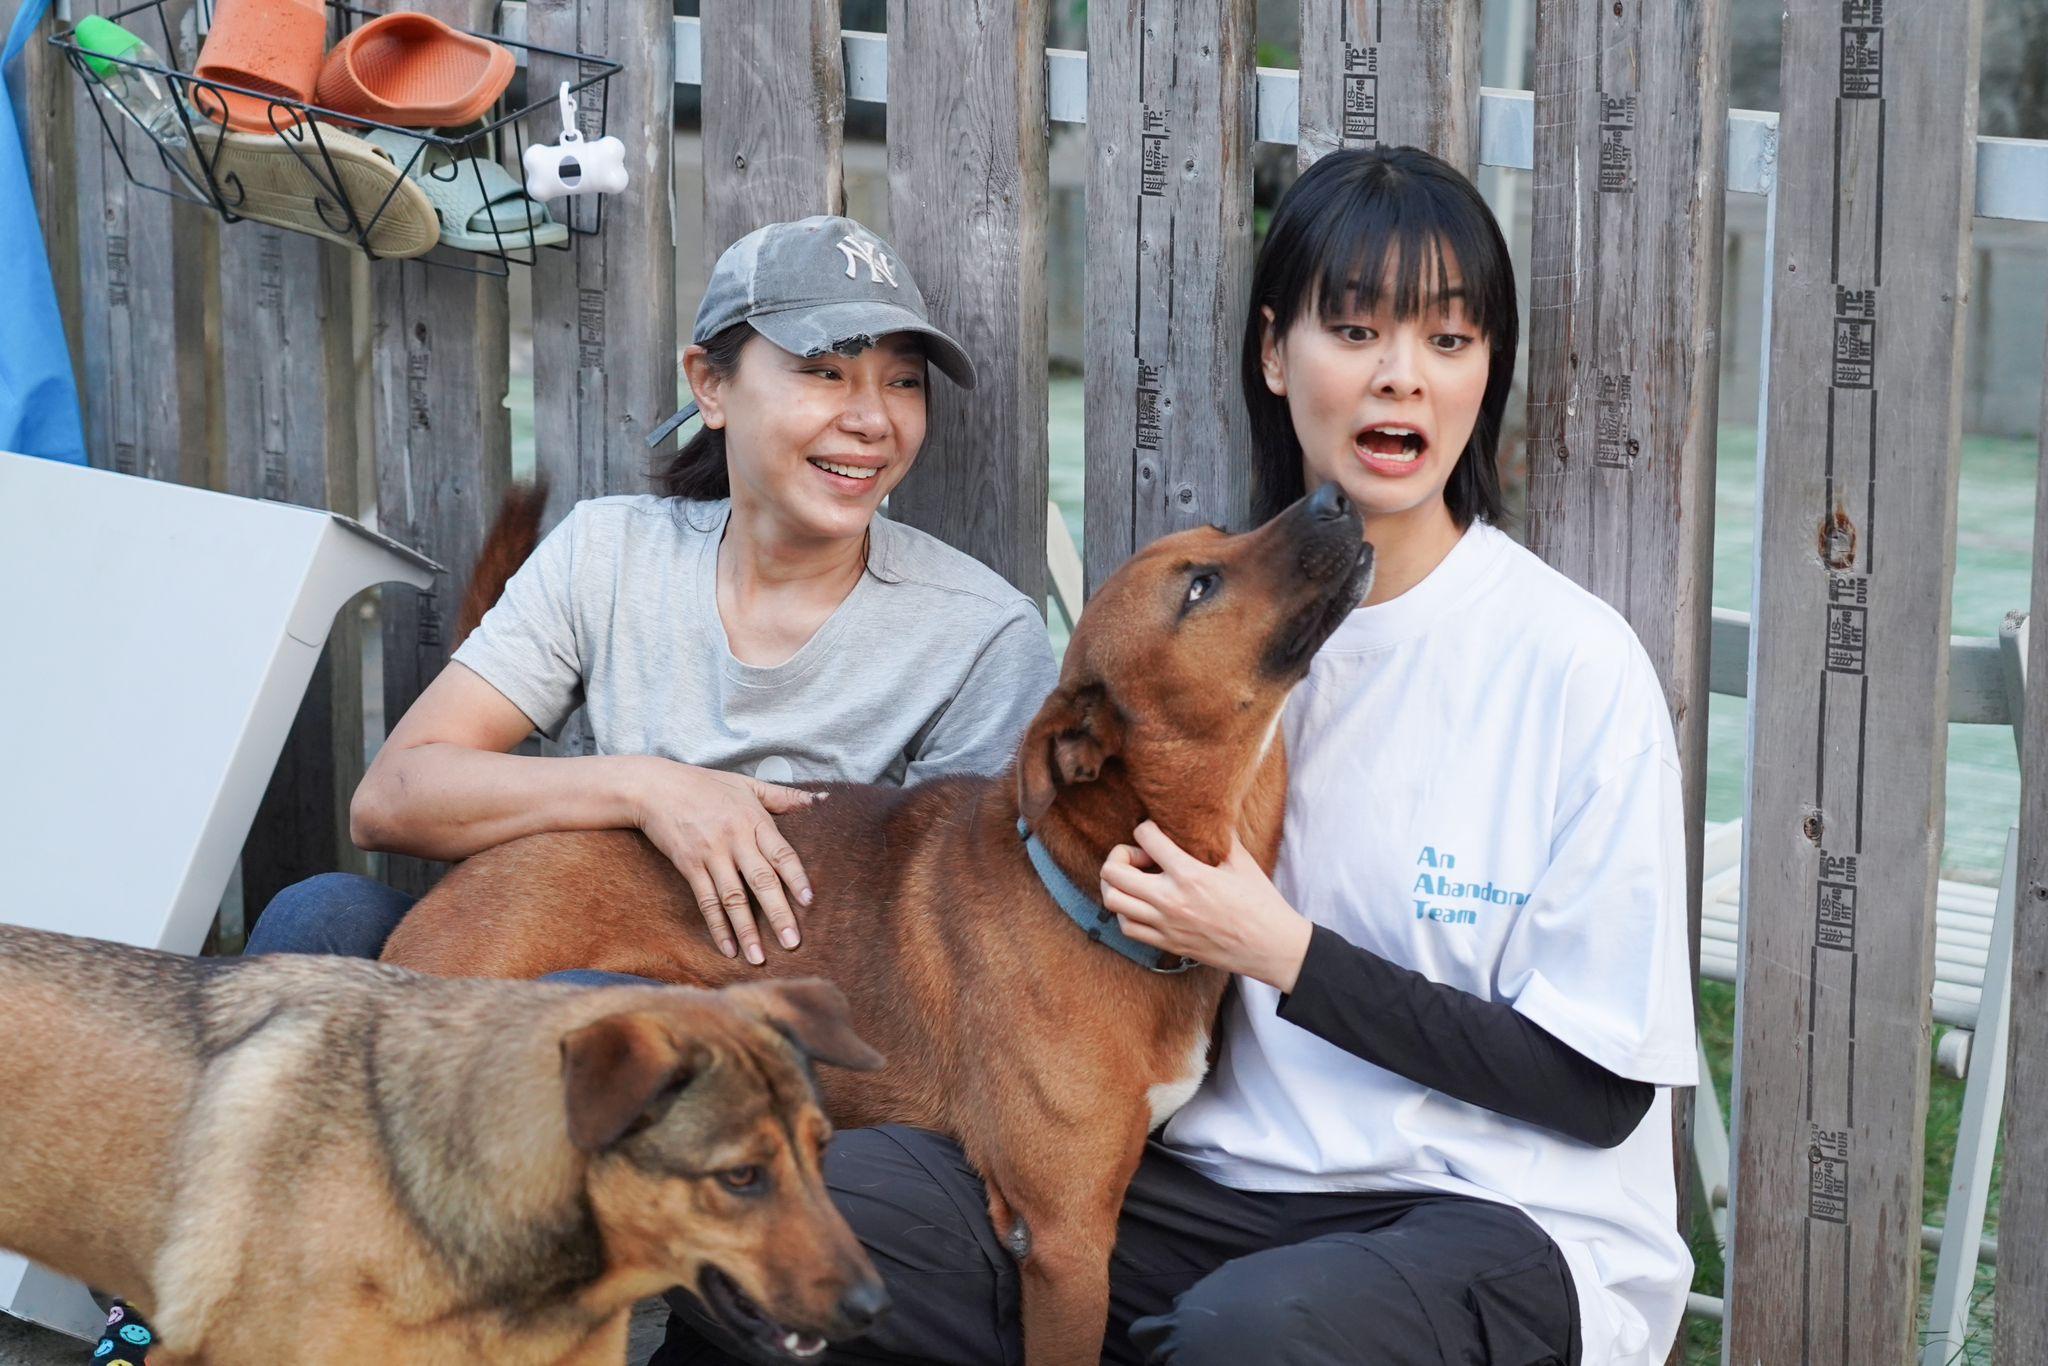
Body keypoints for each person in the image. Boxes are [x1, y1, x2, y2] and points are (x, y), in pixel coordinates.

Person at [659, 147, 1696, 1366]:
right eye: (1353, 331)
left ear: (1487, 370)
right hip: (1215, 1187)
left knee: (1244, 1336)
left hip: (1488, 1214)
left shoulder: (1569, 664)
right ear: (1275, 355)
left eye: (1448, 340)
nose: (1400, 376)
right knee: (787, 1220)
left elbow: (1597, 1091)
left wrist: (1280, 951)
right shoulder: (1195, 641)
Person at [87, 216, 1057, 1365]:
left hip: (775, 1051)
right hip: (568, 954)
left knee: (573, 1020)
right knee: (321, 918)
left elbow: (977, 956)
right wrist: (649, 786)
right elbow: (394, 795)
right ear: (710, 385)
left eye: (901, 381)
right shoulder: (610, 553)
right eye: (823, 370)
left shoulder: (978, 634)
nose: (871, 417)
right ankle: (185, 1299)